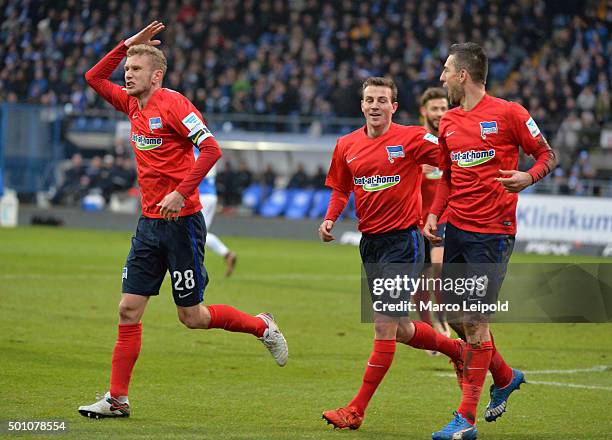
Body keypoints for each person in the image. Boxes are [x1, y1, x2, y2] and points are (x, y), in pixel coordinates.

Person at [78, 21, 287, 419]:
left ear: (157, 76)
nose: (127, 74)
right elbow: (92, 76)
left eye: (135, 69)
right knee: (127, 309)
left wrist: (180, 190)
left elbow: (210, 148)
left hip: (183, 224)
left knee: (192, 316)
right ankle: (117, 399)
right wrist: (127, 44)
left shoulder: (175, 104)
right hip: (148, 224)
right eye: (126, 69)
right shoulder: (130, 104)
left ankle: (262, 326)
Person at [424, 42, 557, 440]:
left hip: (493, 233)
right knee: (457, 319)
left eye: (447, 70)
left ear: (463, 75)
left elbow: (547, 154)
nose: (442, 77)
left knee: (477, 322)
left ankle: (464, 421)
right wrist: (434, 212)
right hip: (457, 230)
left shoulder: (510, 113)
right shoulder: (447, 122)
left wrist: (527, 178)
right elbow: (447, 175)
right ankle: (504, 376)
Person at [319, 77, 466, 431]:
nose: (374, 106)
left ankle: (356, 409)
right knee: (399, 328)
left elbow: (449, 160)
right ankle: (458, 351)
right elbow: (341, 188)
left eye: (382, 100)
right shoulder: (346, 145)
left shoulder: (412, 138)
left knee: (384, 326)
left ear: (394, 107)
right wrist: (329, 219)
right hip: (370, 244)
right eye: (369, 99)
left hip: (404, 241)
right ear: (361, 104)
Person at [413, 87, 451, 353]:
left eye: (443, 108)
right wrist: (417, 169)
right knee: (423, 278)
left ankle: (443, 320)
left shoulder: (451, 138)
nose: (439, 113)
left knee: (439, 267)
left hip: (445, 218)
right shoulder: (415, 141)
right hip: (416, 221)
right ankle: (429, 327)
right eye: (435, 109)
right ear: (424, 111)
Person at [197, 161, 238, 277]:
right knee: (200, 234)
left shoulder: (194, 150)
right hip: (210, 194)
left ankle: (226, 253)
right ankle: (227, 254)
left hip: (201, 194)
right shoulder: (206, 148)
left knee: (197, 233)